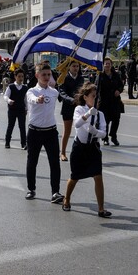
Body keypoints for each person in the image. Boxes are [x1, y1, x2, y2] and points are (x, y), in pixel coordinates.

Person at [62, 82, 111, 217]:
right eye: (93, 96)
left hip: (93, 148)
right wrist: (88, 114)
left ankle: (101, 209)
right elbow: (78, 124)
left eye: (97, 97)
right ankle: (67, 199)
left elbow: (104, 133)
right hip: (80, 148)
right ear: (85, 97)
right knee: (75, 177)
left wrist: (95, 132)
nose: (96, 99)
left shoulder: (100, 114)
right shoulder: (79, 109)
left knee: (98, 177)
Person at [24, 63, 63, 203]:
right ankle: (31, 189)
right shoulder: (31, 91)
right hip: (35, 132)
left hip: (51, 132)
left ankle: (55, 192)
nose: (46, 77)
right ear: (37, 75)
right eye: (44, 75)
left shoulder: (54, 92)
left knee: (54, 163)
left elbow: (65, 97)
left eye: (48, 75)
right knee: (32, 161)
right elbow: (31, 100)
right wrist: (37, 100)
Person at [58, 60, 84, 161]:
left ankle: (80, 153)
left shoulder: (81, 78)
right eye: (73, 66)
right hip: (68, 107)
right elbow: (62, 93)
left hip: (79, 107)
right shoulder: (64, 77)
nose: (75, 68)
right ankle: (63, 153)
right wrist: (72, 100)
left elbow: (83, 91)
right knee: (67, 131)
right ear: (69, 67)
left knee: (81, 130)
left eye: (77, 66)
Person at [4, 68, 28, 149]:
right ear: (15, 77)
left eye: (22, 76)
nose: (21, 78)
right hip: (12, 109)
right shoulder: (11, 86)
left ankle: (24, 144)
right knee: (10, 126)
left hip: (21, 109)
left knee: (22, 127)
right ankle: (7, 142)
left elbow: (26, 99)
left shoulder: (25, 87)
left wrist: (26, 108)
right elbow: (5, 96)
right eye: (19, 76)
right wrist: (9, 100)